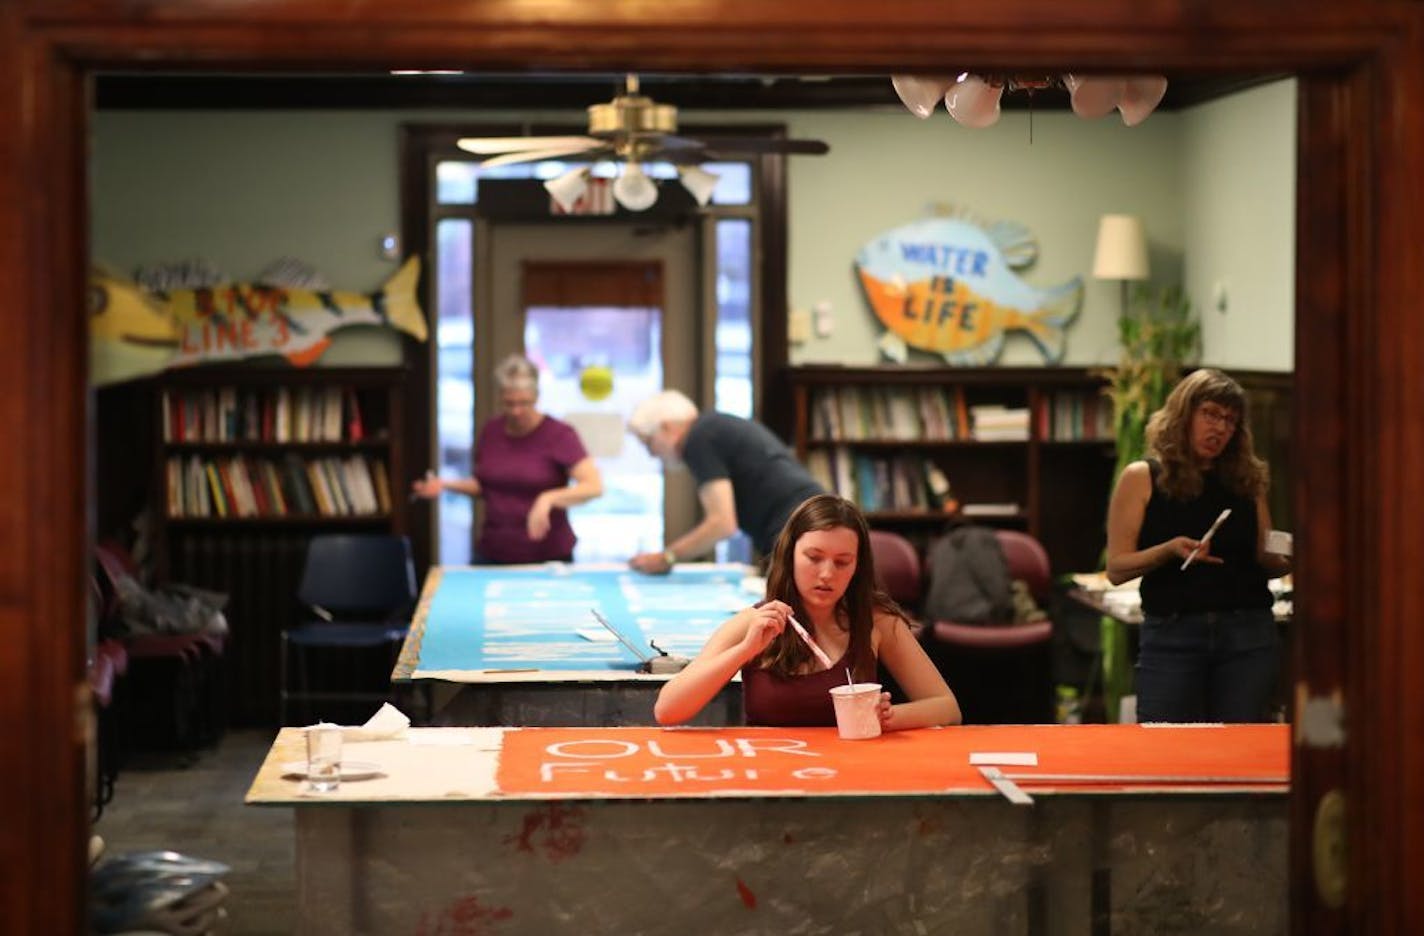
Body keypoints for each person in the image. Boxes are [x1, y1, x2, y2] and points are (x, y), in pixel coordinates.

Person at [654, 493, 961, 729]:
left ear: (858, 566)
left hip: (849, 776)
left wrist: (887, 717)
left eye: (842, 562)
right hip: (770, 778)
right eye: (814, 557)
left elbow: (947, 707)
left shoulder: (877, 621)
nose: (827, 574)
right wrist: (745, 650)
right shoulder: (755, 622)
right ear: (790, 555)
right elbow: (668, 710)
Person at [1105, 368, 1291, 723]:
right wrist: (1169, 550)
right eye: (1210, 414)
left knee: (1242, 751)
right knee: (1167, 748)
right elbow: (1116, 567)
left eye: (1230, 420)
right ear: (1183, 414)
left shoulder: (1246, 479)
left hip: (1246, 632)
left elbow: (1266, 557)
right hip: (1174, 633)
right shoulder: (1143, 477)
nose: (1220, 428)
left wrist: (1297, 557)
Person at [411, 353, 603, 563]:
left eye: (524, 403)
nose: (516, 411)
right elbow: (485, 485)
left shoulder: (560, 435)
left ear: (536, 397)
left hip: (547, 556)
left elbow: (593, 486)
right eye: (509, 403)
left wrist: (547, 499)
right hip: (492, 552)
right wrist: (446, 485)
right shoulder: (492, 430)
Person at [626, 389, 824, 572]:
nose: (652, 454)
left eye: (648, 443)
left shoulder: (698, 438)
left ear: (666, 428)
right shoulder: (712, 427)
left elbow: (722, 523)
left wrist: (666, 557)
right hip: (808, 520)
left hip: (798, 527)